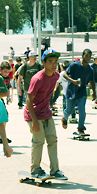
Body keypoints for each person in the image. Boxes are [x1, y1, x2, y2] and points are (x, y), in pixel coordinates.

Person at [24, 49, 66, 180]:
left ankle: (55, 170)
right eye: (50, 62)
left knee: (53, 140)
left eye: (55, 62)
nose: (54, 65)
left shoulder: (56, 75)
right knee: (38, 141)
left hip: (46, 113)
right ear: (44, 63)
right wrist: (34, 121)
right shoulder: (37, 79)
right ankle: (35, 169)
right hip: (33, 114)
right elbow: (29, 100)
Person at [61, 49, 94, 135]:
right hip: (71, 90)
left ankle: (81, 128)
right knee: (69, 110)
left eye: (89, 56)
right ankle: (64, 118)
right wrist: (73, 81)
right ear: (82, 56)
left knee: (82, 110)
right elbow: (65, 74)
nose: (88, 58)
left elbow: (92, 81)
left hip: (82, 91)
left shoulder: (90, 69)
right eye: (86, 56)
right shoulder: (74, 65)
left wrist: (94, 92)